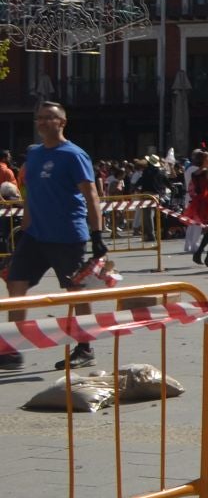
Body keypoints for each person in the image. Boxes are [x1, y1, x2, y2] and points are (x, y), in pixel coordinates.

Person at [0, 101, 107, 371]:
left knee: (75, 291)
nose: (44, 122)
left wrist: (97, 234)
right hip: (36, 235)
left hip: (67, 234)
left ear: (62, 122)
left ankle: (85, 347)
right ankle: (12, 348)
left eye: (50, 118)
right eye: (40, 118)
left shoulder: (73, 154)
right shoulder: (34, 155)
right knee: (15, 282)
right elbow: (32, 196)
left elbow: (91, 194)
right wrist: (24, 230)